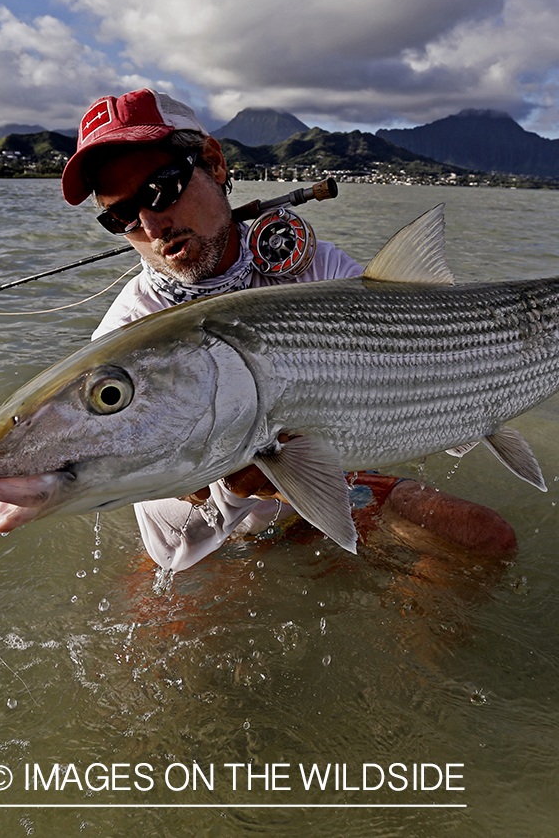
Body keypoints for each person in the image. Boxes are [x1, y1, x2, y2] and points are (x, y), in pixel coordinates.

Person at [61, 88, 517, 572]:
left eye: (160, 190)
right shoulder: (126, 340)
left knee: (485, 542)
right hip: (223, 536)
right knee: (169, 632)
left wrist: (467, 407)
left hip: (337, 485)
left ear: (214, 163)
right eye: (122, 216)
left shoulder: (316, 268)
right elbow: (172, 548)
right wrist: (231, 490)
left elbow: (415, 358)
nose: (151, 226)